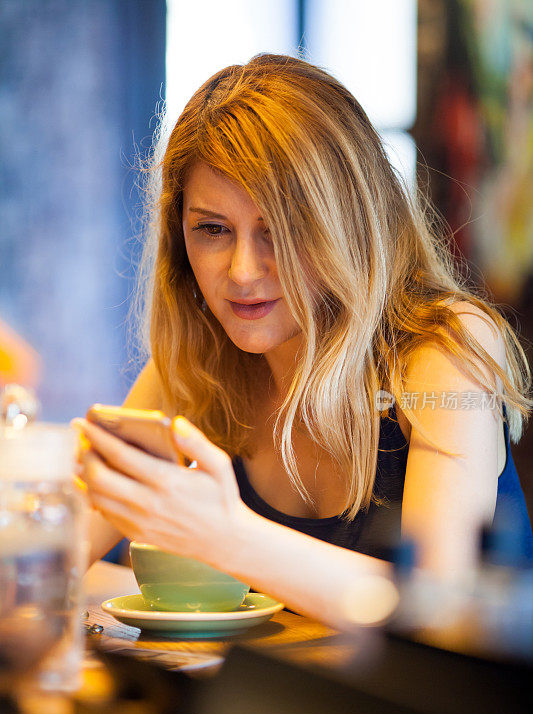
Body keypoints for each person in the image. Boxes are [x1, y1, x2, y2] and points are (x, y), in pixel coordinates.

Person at [75, 54, 532, 628]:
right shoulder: (201, 364)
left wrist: (225, 534)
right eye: (213, 230)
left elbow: (440, 606)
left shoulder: (444, 347)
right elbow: (55, 554)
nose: (242, 271)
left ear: (350, 223)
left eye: (280, 231)